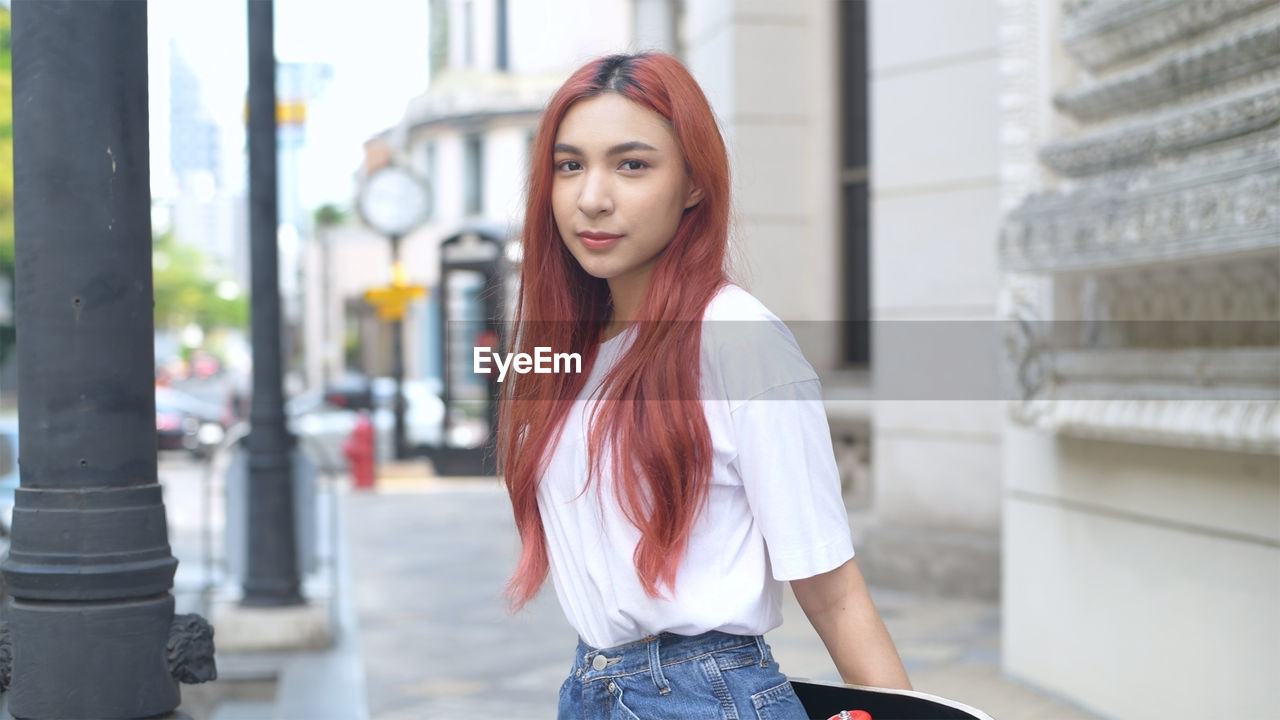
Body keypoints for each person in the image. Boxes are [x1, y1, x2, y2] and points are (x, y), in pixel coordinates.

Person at [498, 52, 911, 719]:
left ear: (693, 183)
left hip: (702, 696)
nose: (592, 196)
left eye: (632, 165)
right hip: (590, 690)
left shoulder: (737, 338)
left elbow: (829, 584)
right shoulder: (570, 351)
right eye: (570, 165)